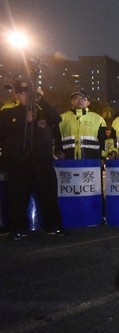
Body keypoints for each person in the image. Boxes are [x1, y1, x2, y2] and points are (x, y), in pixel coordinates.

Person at [0, 80, 65, 240]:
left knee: (48, 195)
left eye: (29, 92)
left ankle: (53, 226)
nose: (25, 96)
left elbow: (56, 119)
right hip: (18, 163)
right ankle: (18, 229)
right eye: (22, 93)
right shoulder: (7, 113)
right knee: (17, 197)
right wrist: (25, 120)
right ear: (16, 94)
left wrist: (40, 99)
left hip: (41, 162)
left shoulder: (42, 112)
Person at [55, 90, 107, 160]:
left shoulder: (98, 119)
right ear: (72, 101)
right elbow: (56, 137)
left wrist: (103, 157)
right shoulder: (61, 118)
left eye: (83, 98)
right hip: (67, 161)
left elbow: (104, 140)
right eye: (76, 98)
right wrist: (57, 152)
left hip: (92, 161)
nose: (79, 101)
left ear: (88, 102)